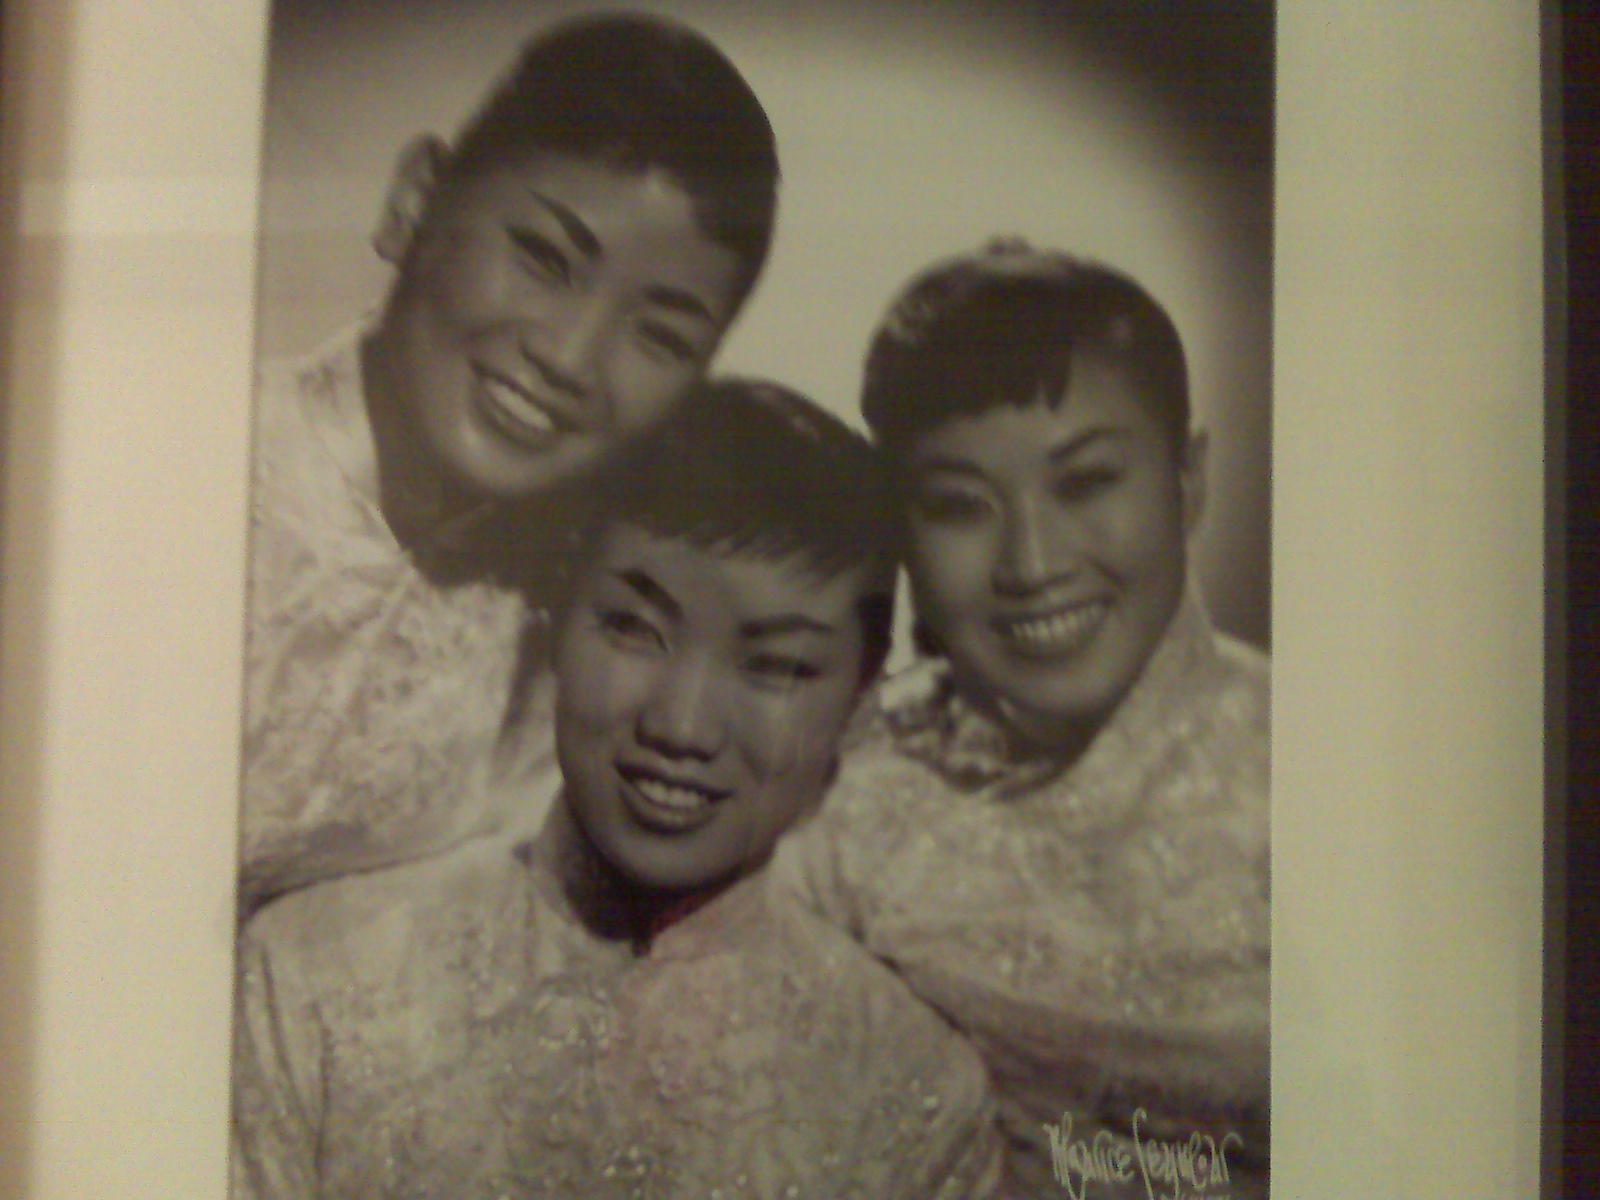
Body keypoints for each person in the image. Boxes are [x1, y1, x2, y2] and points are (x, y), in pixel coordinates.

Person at [230, 380, 1003, 1200]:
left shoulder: (913, 1097)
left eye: (777, 666)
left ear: (858, 703)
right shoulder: (313, 977)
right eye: (635, 628)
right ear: (557, 620)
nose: (682, 726)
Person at [239, 13, 780, 911]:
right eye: (542, 258)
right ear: (414, 201)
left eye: (660, 335)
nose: (569, 359)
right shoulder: (166, 466)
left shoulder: (583, 615)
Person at [774, 242, 1270, 1197]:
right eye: (960, 507)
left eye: (1085, 483)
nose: (1032, 565)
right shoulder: (842, 795)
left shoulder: (1327, 772)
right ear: (903, 533)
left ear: (1189, 480)